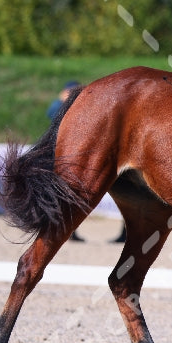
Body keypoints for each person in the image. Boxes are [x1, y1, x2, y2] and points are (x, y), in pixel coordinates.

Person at [46, 80, 127, 243]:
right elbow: (52, 114)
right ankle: (68, 230)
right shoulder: (64, 107)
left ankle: (126, 233)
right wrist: (61, 101)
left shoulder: (88, 107)